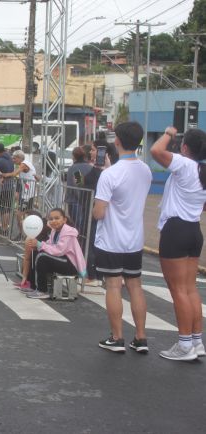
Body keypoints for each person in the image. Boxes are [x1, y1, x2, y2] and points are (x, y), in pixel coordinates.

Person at [93, 121, 152, 354]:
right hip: (134, 239)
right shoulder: (145, 170)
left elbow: (99, 212)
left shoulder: (109, 175)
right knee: (135, 286)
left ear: (117, 140)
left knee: (113, 286)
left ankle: (117, 337)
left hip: (111, 240)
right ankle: (141, 337)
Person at [150, 127, 206, 361]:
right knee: (190, 288)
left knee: (178, 290)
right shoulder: (202, 170)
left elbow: (155, 151)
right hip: (194, 230)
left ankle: (184, 345)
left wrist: (168, 133)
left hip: (176, 229)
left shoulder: (184, 164)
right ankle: (196, 341)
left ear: (185, 147)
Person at [22, 208, 87, 299]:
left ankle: (42, 290)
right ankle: (33, 286)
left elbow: (59, 250)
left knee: (42, 256)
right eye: (51, 219)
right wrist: (37, 246)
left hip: (70, 264)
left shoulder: (68, 233)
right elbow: (49, 244)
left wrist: (40, 244)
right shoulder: (54, 231)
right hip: (61, 259)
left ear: (64, 220)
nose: (53, 221)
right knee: (36, 252)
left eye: (57, 218)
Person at [83, 139, 118, 287]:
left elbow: (79, 183)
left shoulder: (90, 169)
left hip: (92, 209)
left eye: (93, 149)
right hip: (94, 208)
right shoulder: (92, 168)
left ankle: (94, 275)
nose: (91, 152)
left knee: (91, 241)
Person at [14, 210, 51, 291]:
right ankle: (29, 282)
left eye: (25, 219)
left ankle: (31, 283)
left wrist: (24, 278)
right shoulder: (43, 231)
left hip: (44, 263)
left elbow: (27, 259)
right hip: (47, 262)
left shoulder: (30, 238)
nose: (22, 221)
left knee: (32, 256)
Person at [65, 147, 93, 237]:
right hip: (87, 200)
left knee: (76, 225)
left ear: (74, 156)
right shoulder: (90, 167)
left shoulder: (75, 168)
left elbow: (78, 185)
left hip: (75, 201)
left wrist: (80, 199)